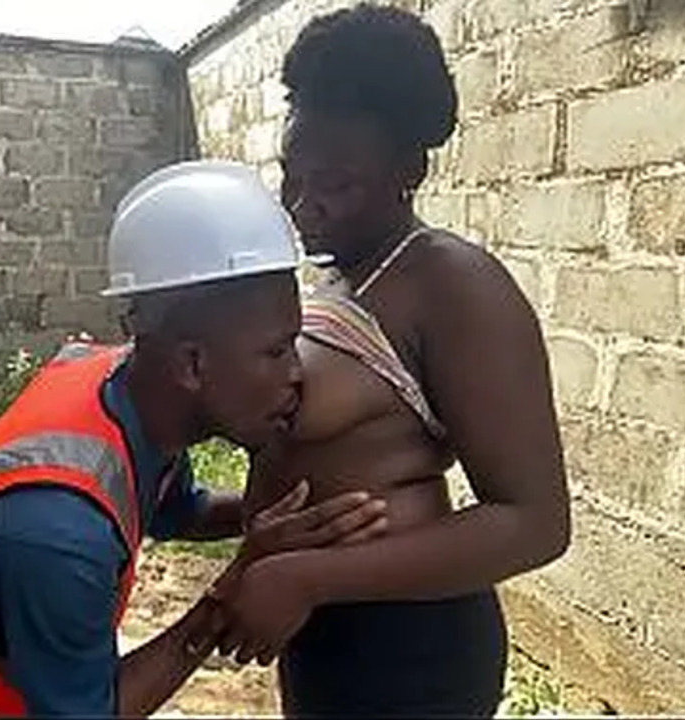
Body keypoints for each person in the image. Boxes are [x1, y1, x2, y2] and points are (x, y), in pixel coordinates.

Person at [0, 160, 389, 718]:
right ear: (192, 364)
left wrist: (273, 518)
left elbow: (178, 511)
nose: (298, 374)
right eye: (276, 351)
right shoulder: (57, 534)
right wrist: (231, 589)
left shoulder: (135, 394)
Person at [206, 5, 571, 717]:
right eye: (291, 175)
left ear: (411, 169)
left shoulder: (452, 284)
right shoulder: (340, 276)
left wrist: (308, 578)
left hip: (410, 650)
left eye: (336, 185)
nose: (303, 207)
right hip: (323, 635)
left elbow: (535, 522)